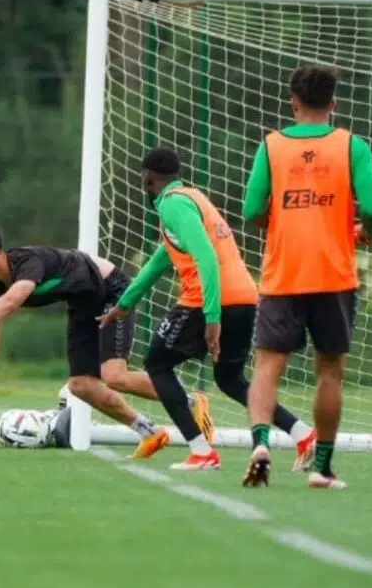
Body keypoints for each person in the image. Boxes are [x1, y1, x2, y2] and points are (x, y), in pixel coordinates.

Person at [98, 147, 318, 471]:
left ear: (148, 179)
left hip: (208, 302)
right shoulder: (193, 198)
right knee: (230, 379)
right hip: (244, 297)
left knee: (157, 364)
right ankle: (303, 435)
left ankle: (201, 452)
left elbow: (207, 258)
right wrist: (124, 304)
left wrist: (212, 318)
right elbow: (159, 262)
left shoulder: (173, 205)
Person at [0, 222, 207, 458]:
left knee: (114, 376)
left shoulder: (28, 261)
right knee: (80, 385)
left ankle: (192, 402)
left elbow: (16, 298)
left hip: (112, 291)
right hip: (83, 305)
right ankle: (150, 432)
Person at [242, 64, 372, 489]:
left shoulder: (271, 146)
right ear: (334, 104)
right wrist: (364, 232)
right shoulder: (351, 146)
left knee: (268, 365)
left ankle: (261, 441)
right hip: (333, 275)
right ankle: (321, 467)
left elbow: (251, 211)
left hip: (284, 274)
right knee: (329, 371)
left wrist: (281, 221)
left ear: (294, 103)